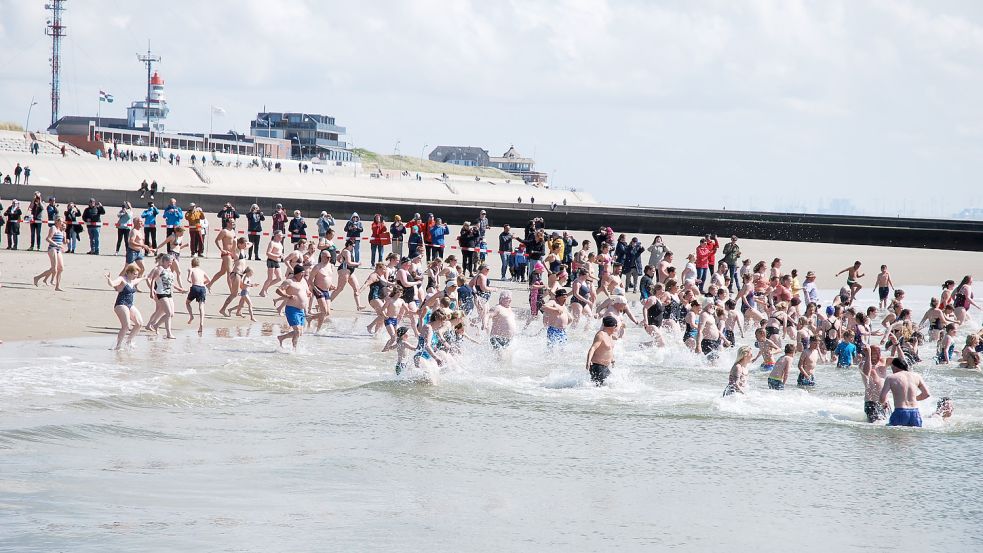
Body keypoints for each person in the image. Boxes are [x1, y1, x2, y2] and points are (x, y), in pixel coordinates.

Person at [879, 357, 930, 427]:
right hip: (915, 413)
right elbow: (926, 394)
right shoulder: (917, 376)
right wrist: (913, 399)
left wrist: (883, 403)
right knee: (914, 437)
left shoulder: (891, 378)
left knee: (893, 437)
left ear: (894, 366)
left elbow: (882, 398)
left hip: (900, 412)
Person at [106, 264, 144, 350]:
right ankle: (118, 346)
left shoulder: (132, 281)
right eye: (134, 274)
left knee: (139, 323)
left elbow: (138, 280)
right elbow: (112, 284)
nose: (136, 276)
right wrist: (109, 279)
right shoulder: (122, 279)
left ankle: (129, 341)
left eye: (137, 274)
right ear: (129, 273)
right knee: (126, 325)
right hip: (121, 304)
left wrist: (144, 278)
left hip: (130, 304)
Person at [276, 265, 310, 349]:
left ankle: (281, 337)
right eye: (301, 273)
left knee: (300, 332)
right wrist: (287, 295)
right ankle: (294, 350)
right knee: (297, 331)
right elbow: (278, 290)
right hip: (292, 309)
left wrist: (309, 293)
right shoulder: (289, 281)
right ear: (296, 273)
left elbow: (307, 290)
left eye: (303, 273)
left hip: (301, 310)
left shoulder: (304, 281)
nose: (303, 275)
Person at [32, 217, 66, 290]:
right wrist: (56, 244)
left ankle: (57, 286)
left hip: (58, 250)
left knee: (61, 268)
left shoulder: (61, 230)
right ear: (57, 221)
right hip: (52, 248)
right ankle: (37, 278)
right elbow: (48, 238)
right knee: (54, 269)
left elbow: (64, 241)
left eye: (63, 221)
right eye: (61, 221)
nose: (62, 223)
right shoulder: (53, 228)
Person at [860, 345, 890, 423]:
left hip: (885, 402)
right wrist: (868, 355)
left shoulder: (883, 361)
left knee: (888, 425)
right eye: (873, 354)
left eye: (877, 354)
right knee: (875, 426)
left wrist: (897, 345)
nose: (875, 357)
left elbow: (901, 362)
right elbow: (866, 373)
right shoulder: (863, 364)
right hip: (871, 402)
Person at [586, 315, 619, 386]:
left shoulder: (610, 335)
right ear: (613, 326)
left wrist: (612, 359)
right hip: (597, 366)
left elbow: (608, 349)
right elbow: (593, 348)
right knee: (599, 389)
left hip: (605, 367)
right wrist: (588, 361)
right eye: (616, 326)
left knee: (611, 385)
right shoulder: (600, 335)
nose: (616, 328)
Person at [208, 219, 238, 290]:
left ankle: (209, 285)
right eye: (232, 222)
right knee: (230, 272)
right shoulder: (224, 231)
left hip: (231, 254)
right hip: (226, 254)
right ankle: (232, 290)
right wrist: (221, 249)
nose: (233, 223)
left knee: (222, 272)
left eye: (234, 222)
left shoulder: (233, 231)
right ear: (227, 223)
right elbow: (217, 240)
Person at [185, 257, 211, 335]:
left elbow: (188, 279)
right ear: (199, 264)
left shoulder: (191, 269)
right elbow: (209, 280)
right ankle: (201, 323)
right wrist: (203, 283)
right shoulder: (202, 271)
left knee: (187, 303)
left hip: (195, 287)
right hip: (202, 288)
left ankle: (191, 316)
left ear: (192, 263)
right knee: (201, 306)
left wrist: (191, 280)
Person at [259, 230, 286, 297]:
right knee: (270, 278)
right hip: (271, 261)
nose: (281, 237)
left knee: (279, 278)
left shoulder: (280, 243)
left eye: (282, 235)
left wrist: (281, 255)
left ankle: (265, 288)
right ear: (276, 236)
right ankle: (262, 291)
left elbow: (279, 252)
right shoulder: (272, 243)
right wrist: (278, 256)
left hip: (277, 261)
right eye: (280, 235)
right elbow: (268, 253)